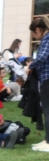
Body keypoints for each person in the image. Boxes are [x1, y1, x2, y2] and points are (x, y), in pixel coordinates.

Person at [28, 17, 49, 152]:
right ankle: (47, 139)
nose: (35, 37)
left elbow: (42, 56)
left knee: (47, 110)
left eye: (34, 34)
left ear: (38, 29)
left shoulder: (47, 39)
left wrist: (31, 65)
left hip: (47, 78)